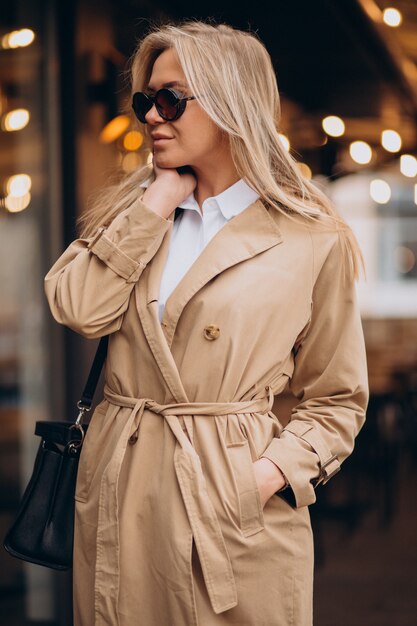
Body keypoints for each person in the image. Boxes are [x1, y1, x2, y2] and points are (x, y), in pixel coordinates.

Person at [44, 18, 369, 626]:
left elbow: (337, 400)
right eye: (146, 100)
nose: (151, 116)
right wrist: (156, 202)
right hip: (124, 492)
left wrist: (262, 477)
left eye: (171, 100)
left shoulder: (311, 238)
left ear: (230, 102)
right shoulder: (133, 213)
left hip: (231, 504)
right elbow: (80, 310)